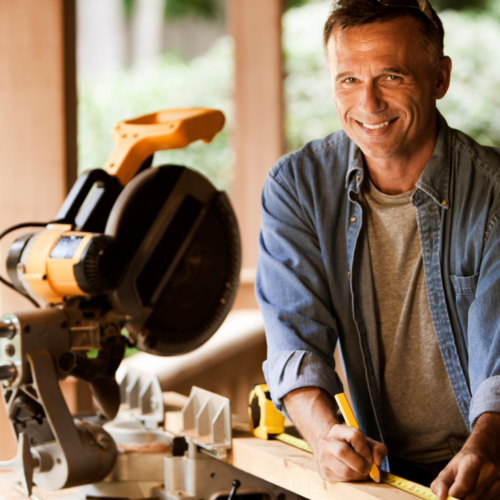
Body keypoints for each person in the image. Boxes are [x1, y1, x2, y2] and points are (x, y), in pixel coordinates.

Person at [255, 1, 500, 499]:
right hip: (381, 472)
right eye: (348, 80)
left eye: (391, 76)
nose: (368, 103)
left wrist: (486, 449)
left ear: (439, 77)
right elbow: (293, 341)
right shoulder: (296, 187)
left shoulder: (495, 192)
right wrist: (325, 436)